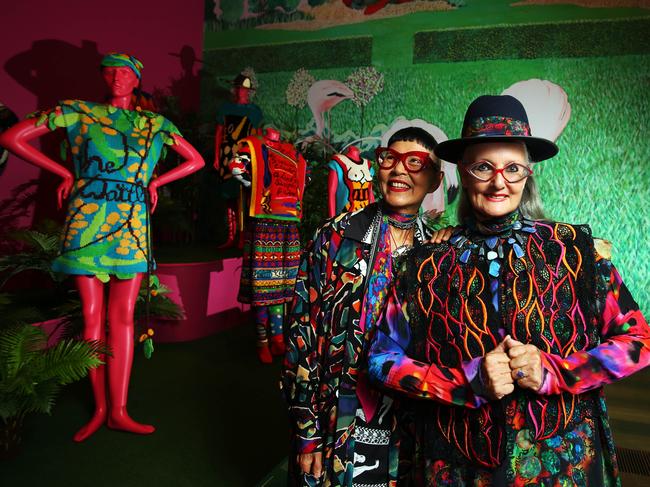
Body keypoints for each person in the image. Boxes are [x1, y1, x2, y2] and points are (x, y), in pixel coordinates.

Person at [367, 95, 650, 485]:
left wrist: (556, 371)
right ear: (463, 173)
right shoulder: (426, 264)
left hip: (560, 462)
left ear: (528, 174)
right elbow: (381, 359)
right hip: (458, 464)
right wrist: (464, 382)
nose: (499, 182)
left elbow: (638, 341)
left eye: (513, 168)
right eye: (484, 167)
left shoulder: (575, 252)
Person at [0, 52, 205, 442]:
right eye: (109, 71)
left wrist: (156, 183)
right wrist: (65, 172)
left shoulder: (151, 123)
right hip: (87, 220)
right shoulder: (78, 112)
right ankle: (99, 409)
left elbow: (195, 159)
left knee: (123, 318)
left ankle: (120, 409)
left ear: (137, 79)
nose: (116, 78)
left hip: (131, 224)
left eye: (125, 72)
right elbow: (11, 137)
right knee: (93, 317)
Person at [281, 127, 444, 487]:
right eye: (390, 158)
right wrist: (307, 430)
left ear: (435, 180)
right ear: (377, 168)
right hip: (334, 416)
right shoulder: (336, 237)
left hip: (402, 421)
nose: (400, 171)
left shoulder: (435, 253)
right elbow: (300, 333)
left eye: (415, 163)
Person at [229, 127, 306, 363]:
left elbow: (304, 177)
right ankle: (262, 341)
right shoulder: (252, 146)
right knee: (263, 287)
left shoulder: (293, 153)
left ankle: (279, 338)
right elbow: (235, 168)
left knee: (283, 286)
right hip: (263, 224)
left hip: (288, 224)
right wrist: (255, 187)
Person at [327, 145, 375, 217]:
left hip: (365, 214)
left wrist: (373, 214)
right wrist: (332, 219)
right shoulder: (338, 162)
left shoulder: (367, 164)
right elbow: (331, 193)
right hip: (345, 214)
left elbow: (370, 192)